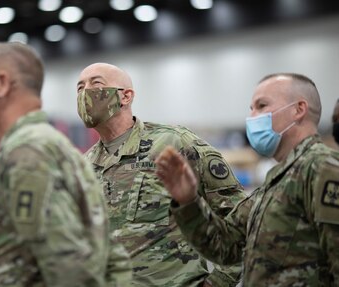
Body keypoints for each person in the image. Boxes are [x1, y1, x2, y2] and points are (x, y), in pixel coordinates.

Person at [0, 43, 131, 286]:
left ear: (2, 83)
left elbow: (70, 271)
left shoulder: (28, 154)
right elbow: (110, 256)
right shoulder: (49, 147)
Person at [156, 73, 339, 285]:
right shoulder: (275, 181)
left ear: (298, 110)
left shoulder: (322, 167)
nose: (252, 116)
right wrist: (188, 201)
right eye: (250, 108)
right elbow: (225, 246)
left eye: (261, 106)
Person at [76, 62, 246, 286]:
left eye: (95, 83)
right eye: (79, 87)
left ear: (125, 97)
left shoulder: (173, 144)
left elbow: (241, 221)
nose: (85, 92)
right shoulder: (83, 166)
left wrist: (220, 281)